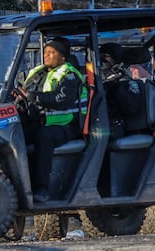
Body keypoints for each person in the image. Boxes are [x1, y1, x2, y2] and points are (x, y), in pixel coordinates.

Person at [16, 36, 85, 202]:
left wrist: (34, 97)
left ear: (62, 57)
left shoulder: (69, 74)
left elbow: (61, 99)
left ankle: (42, 188)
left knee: (43, 137)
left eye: (52, 52)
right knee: (15, 135)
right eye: (45, 51)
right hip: (39, 121)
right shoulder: (37, 73)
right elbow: (25, 91)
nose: (46, 55)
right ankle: (18, 185)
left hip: (66, 125)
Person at [100, 43, 144, 138]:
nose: (101, 60)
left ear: (116, 58)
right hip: (97, 123)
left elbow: (132, 107)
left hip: (116, 127)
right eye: (99, 56)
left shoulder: (125, 81)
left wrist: (114, 86)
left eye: (105, 56)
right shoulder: (94, 79)